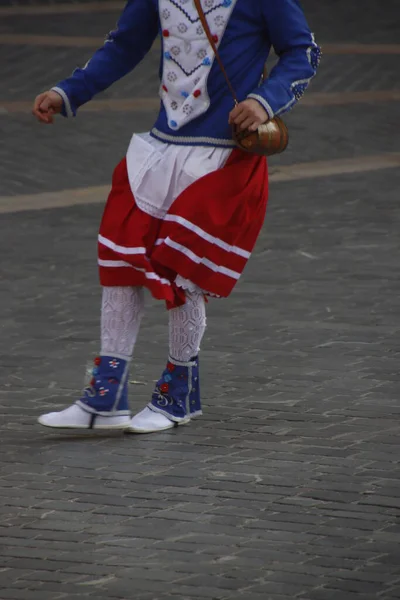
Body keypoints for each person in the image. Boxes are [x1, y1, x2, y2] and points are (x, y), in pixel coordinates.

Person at [33, 0, 320, 434]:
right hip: (160, 148)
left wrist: (265, 101)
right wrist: (68, 91)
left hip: (222, 155)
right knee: (120, 262)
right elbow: (124, 44)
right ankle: (105, 397)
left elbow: (303, 52)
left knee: (184, 272)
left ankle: (176, 394)